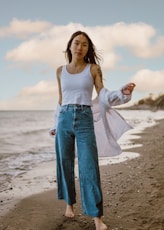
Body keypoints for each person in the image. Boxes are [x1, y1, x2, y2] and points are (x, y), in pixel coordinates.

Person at [49, 31, 135, 230]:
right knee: (65, 162)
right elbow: (61, 100)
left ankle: (97, 218)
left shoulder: (93, 69)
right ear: (70, 46)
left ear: (88, 49)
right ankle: (69, 204)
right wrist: (55, 124)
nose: (80, 47)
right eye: (77, 43)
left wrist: (121, 94)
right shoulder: (60, 71)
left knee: (89, 167)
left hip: (85, 119)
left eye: (84, 45)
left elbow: (102, 94)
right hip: (64, 119)